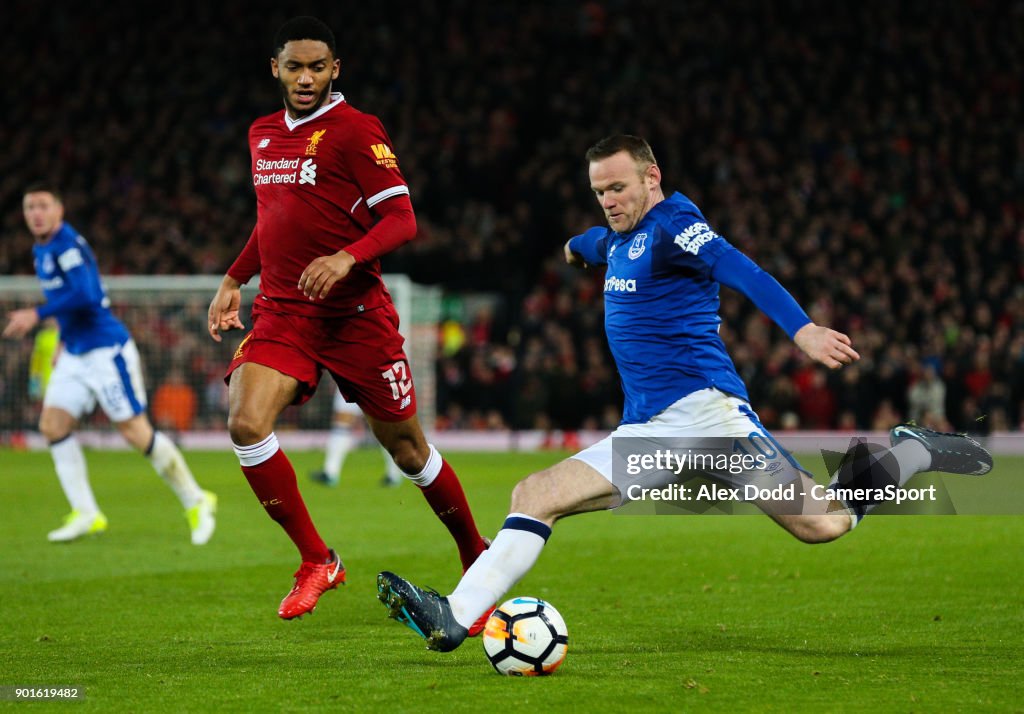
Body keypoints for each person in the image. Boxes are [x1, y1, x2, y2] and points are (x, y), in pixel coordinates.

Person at [375, 135, 994, 651]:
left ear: (652, 177)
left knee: (824, 525)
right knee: (535, 493)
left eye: (618, 188)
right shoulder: (616, 239)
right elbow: (593, 242)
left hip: (707, 420)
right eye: (599, 192)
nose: (610, 201)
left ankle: (913, 452)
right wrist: (574, 248)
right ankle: (453, 617)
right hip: (651, 432)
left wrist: (801, 329)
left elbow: (739, 267)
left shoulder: (677, 223)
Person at [206, 16, 488, 622]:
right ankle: (317, 561)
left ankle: (474, 553)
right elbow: (272, 220)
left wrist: (347, 256)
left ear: (335, 70)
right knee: (246, 424)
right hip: (284, 311)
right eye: (293, 66)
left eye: (317, 67)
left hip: (356, 316)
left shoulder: (356, 131)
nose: (305, 78)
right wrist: (235, 277)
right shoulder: (260, 134)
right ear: (275, 70)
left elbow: (403, 219)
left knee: (409, 452)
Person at [3, 184, 217, 545]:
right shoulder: (41, 249)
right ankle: (86, 513)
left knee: (135, 431)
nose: (35, 213)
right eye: (29, 208)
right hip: (74, 351)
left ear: (59, 209)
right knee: (53, 424)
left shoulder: (68, 246)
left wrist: (37, 314)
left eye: (42, 206)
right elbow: (68, 300)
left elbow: (86, 294)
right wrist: (61, 338)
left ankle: (196, 500)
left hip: (106, 351)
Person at [309, 389, 403, 488]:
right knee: (342, 421)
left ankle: (394, 474)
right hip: (349, 379)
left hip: (372, 380)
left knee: (381, 424)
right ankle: (330, 472)